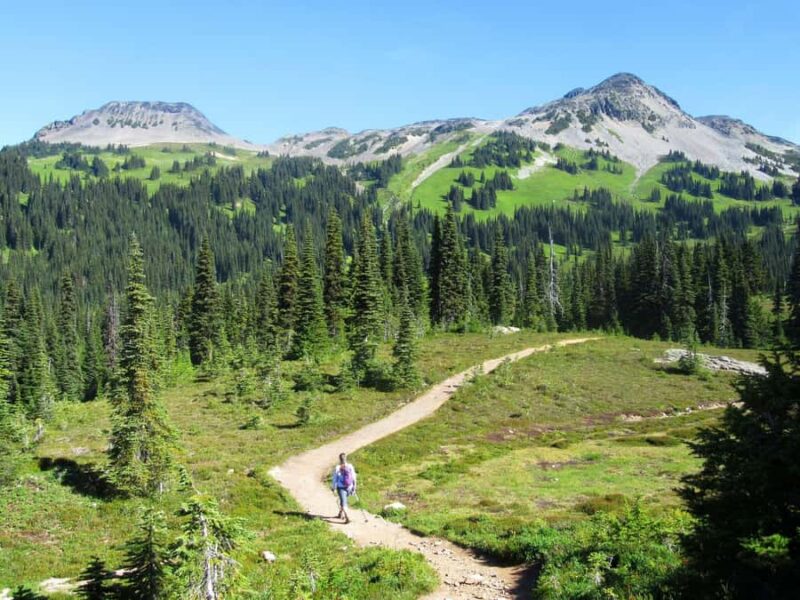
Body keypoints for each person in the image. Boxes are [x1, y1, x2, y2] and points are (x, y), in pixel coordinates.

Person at [331, 452, 357, 523]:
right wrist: (354, 487)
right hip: (350, 487)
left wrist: (333, 488)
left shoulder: (338, 467)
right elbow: (354, 477)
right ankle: (340, 514)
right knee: (343, 501)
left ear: (339, 459)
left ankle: (348, 518)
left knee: (344, 502)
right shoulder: (350, 466)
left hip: (341, 488)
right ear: (346, 458)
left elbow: (334, 479)